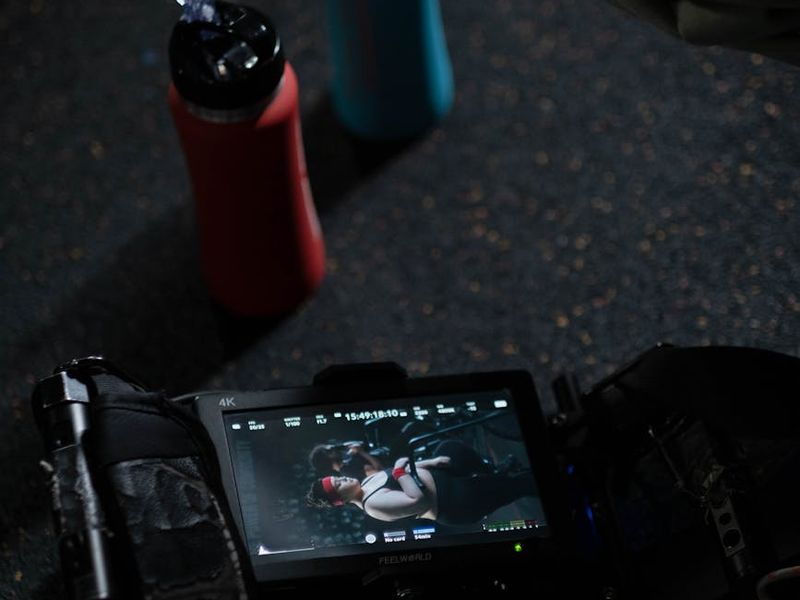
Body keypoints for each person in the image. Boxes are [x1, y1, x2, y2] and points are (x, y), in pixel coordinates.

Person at [305, 440, 536, 525]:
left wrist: (432, 461)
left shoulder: (367, 482)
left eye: (339, 478)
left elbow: (408, 469)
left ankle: (496, 470)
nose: (344, 478)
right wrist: (398, 470)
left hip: (447, 480)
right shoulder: (373, 505)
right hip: (455, 502)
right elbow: (417, 501)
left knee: (449, 448)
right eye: (339, 484)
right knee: (520, 485)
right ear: (341, 499)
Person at [308, 441, 385, 479]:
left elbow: (359, 443)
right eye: (330, 451)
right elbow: (380, 471)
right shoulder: (349, 470)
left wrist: (341, 446)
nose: (334, 450)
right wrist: (361, 452)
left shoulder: (347, 463)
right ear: (328, 459)